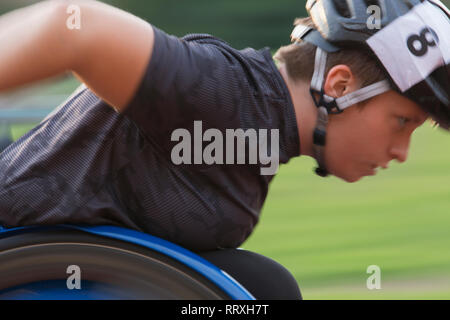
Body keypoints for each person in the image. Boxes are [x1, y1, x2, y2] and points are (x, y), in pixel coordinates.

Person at [0, 0, 448, 300]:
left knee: (261, 288)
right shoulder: (228, 92)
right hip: (27, 255)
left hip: (83, 264)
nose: (402, 152)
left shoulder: (264, 126)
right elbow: (76, 27)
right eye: (403, 122)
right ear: (340, 86)